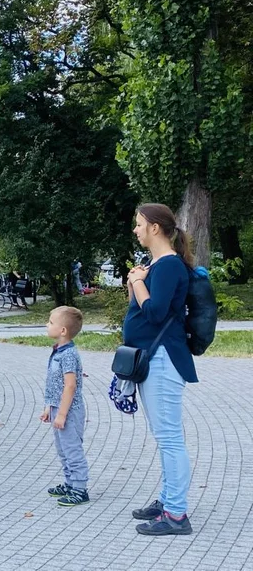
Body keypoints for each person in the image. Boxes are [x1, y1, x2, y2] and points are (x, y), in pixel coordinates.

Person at [124, 203, 197, 536]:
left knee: (170, 439)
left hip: (164, 359)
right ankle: (168, 499)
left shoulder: (168, 266)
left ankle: (177, 515)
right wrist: (136, 280)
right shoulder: (156, 265)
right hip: (153, 359)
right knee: (164, 436)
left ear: (155, 227)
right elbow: (139, 308)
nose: (136, 230)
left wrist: (139, 282)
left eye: (139, 224)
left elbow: (154, 312)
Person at [40, 306, 89, 507]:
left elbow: (70, 385)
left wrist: (61, 414)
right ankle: (69, 483)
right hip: (58, 408)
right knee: (62, 449)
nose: (47, 324)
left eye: (51, 322)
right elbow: (54, 384)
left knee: (72, 449)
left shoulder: (68, 354)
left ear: (63, 331)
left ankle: (80, 488)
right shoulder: (58, 351)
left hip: (69, 411)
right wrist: (48, 407)